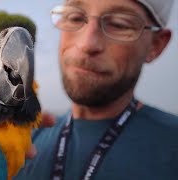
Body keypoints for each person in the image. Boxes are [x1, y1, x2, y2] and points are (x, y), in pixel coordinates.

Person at [14, 0, 178, 179]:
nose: (87, 44)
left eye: (119, 24)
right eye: (75, 18)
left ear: (156, 44)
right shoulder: (21, 142)